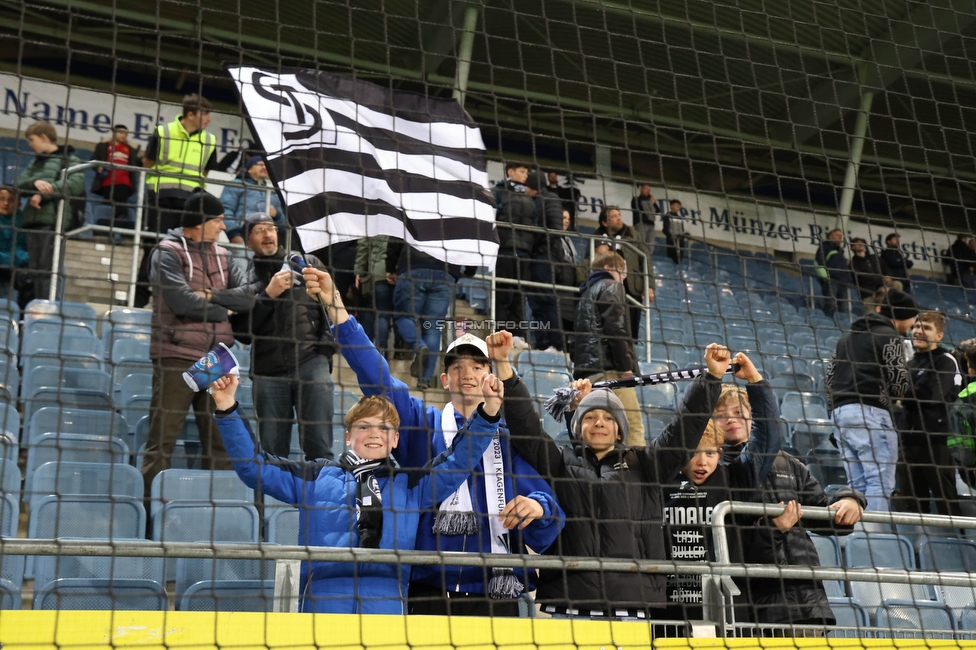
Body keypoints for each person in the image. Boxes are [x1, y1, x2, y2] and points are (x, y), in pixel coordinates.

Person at [302, 269, 563, 616]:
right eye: (457, 367)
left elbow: (547, 504)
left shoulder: (510, 437)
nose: (467, 374)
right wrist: (336, 307)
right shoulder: (421, 423)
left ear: (491, 374)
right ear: (444, 379)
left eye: (476, 366)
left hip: (496, 590)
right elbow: (373, 371)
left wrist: (538, 506)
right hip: (428, 585)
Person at [210, 369, 504, 614]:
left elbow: (457, 460)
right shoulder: (315, 477)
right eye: (364, 426)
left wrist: (489, 411)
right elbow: (254, 468)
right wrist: (226, 406)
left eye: (384, 428)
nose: (375, 433)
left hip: (386, 609)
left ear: (395, 440)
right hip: (322, 607)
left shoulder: (413, 485)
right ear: (349, 437)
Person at [502, 339, 730, 618]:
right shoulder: (560, 462)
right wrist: (504, 369)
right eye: (590, 417)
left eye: (608, 418)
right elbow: (525, 425)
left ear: (620, 431)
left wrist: (712, 377)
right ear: (578, 428)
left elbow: (684, 427)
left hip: (633, 602)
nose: (599, 422)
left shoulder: (647, 464)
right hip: (569, 600)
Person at [717, 383, 866, 625]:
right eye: (721, 415)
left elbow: (821, 506)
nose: (731, 420)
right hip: (756, 604)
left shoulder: (788, 462)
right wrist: (773, 529)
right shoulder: (715, 468)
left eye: (737, 412)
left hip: (808, 601)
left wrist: (850, 499)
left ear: (752, 416)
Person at [142, 191, 254, 496]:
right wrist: (223, 308)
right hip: (176, 355)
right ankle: (152, 513)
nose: (223, 227)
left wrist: (211, 296)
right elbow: (180, 301)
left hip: (217, 358)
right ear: (199, 221)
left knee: (220, 441)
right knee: (163, 440)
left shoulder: (224, 255)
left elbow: (246, 298)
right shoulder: (166, 252)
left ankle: (216, 514)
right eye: (218, 220)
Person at [663, 352, 780, 621]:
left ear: (719, 451)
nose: (701, 462)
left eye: (710, 453)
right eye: (693, 453)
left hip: (728, 608)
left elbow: (767, 441)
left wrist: (755, 380)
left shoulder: (735, 477)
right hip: (669, 608)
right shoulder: (659, 477)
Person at [229, 212, 335, 461]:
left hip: (312, 362)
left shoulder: (307, 263)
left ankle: (321, 500)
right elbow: (243, 334)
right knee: (271, 454)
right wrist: (267, 296)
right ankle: (271, 502)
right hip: (268, 372)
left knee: (320, 447)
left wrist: (325, 352)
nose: (267, 234)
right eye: (258, 230)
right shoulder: (242, 281)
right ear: (247, 242)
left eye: (271, 228)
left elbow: (332, 307)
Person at [824, 288, 916, 511]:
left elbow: (829, 381)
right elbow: (898, 383)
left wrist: (835, 412)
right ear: (903, 316)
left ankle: (860, 540)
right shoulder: (889, 335)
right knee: (879, 483)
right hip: (871, 413)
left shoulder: (846, 339)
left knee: (856, 486)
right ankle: (876, 543)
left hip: (841, 415)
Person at [135, 94, 218, 307]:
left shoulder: (210, 140)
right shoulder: (163, 132)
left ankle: (175, 303)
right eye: (205, 114)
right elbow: (148, 162)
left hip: (190, 205)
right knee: (153, 249)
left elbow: (206, 171)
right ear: (190, 114)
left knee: (187, 253)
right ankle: (139, 301)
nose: (209, 119)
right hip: (160, 200)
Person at [893, 311, 964, 516]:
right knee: (911, 506)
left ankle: (957, 545)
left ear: (939, 336)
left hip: (935, 443)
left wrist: (902, 393)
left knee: (946, 504)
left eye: (926, 328)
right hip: (906, 441)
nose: (919, 331)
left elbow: (928, 395)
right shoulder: (910, 363)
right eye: (916, 327)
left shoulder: (945, 361)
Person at [573, 251, 643, 445]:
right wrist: (625, 367)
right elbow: (616, 330)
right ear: (608, 268)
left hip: (588, 376)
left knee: (600, 436)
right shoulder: (611, 286)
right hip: (611, 372)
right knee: (632, 428)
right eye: (622, 271)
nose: (625, 277)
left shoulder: (585, 294)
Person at [15, 121, 85, 301]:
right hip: (32, 222)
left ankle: (48, 308)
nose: (30, 145)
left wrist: (45, 192)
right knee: (36, 270)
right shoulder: (36, 162)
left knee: (48, 270)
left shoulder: (68, 158)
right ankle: (38, 307)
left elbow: (76, 184)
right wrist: (34, 184)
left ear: (44, 137)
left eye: (32, 140)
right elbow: (20, 183)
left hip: (52, 222)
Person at [385, 241, 462, 390]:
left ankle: (419, 346)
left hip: (413, 266)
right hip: (446, 271)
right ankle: (424, 380)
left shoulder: (411, 215)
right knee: (433, 327)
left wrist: (390, 268)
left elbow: (395, 239)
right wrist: (469, 271)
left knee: (403, 317)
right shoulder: (460, 217)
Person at [593, 205, 655, 340]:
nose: (618, 218)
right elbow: (589, 262)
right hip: (606, 290)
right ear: (605, 222)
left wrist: (649, 285)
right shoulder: (596, 238)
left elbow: (646, 260)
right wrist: (598, 253)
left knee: (630, 332)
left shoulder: (633, 234)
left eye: (619, 215)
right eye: (613, 216)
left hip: (631, 290)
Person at [492, 162, 536, 347]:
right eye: (522, 170)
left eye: (526, 171)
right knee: (504, 296)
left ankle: (517, 335)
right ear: (510, 172)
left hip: (524, 252)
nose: (525, 175)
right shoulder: (497, 192)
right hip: (505, 251)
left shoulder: (530, 197)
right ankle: (499, 334)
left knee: (519, 296)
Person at [525, 170, 566, 351]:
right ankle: (542, 342)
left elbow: (555, 230)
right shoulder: (532, 201)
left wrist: (538, 245)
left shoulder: (551, 199)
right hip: (533, 258)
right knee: (536, 303)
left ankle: (556, 343)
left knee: (547, 300)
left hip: (545, 257)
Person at [219, 155, 284, 243]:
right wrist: (234, 235)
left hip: (267, 241)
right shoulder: (237, 185)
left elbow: (285, 225)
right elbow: (225, 210)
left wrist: (277, 215)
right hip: (243, 238)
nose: (264, 167)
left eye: (266, 165)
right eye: (260, 164)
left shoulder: (272, 192)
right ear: (249, 169)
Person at [353, 235, 395, 356]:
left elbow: (363, 247)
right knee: (386, 314)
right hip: (397, 273)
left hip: (377, 273)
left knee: (377, 312)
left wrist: (359, 272)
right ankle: (383, 349)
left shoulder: (373, 221)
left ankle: (371, 350)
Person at [91, 125, 140, 223]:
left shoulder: (130, 148)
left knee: (120, 202)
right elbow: (92, 161)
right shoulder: (104, 146)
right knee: (111, 205)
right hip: (107, 181)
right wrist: (98, 167)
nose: (123, 135)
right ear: (113, 133)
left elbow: (136, 164)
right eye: (121, 132)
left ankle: (119, 221)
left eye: (125, 133)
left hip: (124, 182)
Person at [552, 209, 581, 345]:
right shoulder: (552, 238)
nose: (567, 221)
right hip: (559, 288)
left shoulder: (569, 240)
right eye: (563, 218)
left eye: (568, 219)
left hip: (570, 291)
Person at [815, 228, 852, 318]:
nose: (840, 237)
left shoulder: (840, 251)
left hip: (843, 282)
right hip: (832, 280)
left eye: (841, 236)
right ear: (830, 237)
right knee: (831, 304)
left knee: (844, 308)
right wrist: (826, 277)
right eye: (837, 235)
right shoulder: (824, 247)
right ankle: (827, 321)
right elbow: (818, 263)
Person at [0, 186, 28, 300]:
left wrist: (11, 259)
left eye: (11, 200)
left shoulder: (24, 221)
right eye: (1, 199)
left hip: (15, 269)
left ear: (19, 204)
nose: (5, 203)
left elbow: (26, 249)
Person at [630, 183, 658, 257]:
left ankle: (647, 259)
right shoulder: (636, 199)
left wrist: (653, 202)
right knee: (641, 243)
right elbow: (639, 208)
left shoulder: (650, 200)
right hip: (641, 223)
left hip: (651, 224)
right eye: (646, 189)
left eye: (649, 190)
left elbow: (657, 210)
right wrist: (650, 203)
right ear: (641, 189)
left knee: (650, 245)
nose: (648, 191)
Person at [662, 199, 686, 265]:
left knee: (679, 257)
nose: (678, 207)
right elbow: (665, 229)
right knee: (672, 256)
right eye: (677, 205)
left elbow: (682, 229)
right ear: (672, 206)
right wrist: (670, 236)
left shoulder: (680, 218)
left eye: (679, 206)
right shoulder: (668, 216)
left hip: (680, 240)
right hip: (672, 240)